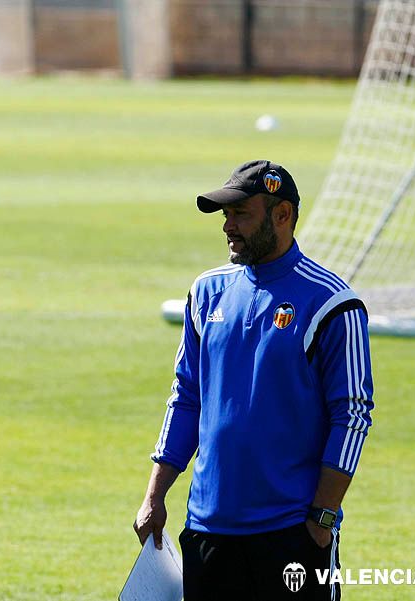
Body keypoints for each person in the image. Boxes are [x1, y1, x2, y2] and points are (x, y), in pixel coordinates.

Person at [133, 160, 375, 600]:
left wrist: (323, 517)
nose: (228, 226)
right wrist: (155, 494)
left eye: (241, 214)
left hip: (291, 532)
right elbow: (186, 397)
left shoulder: (333, 303)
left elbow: (352, 415)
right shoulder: (206, 292)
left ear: (282, 215)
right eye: (226, 216)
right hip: (208, 528)